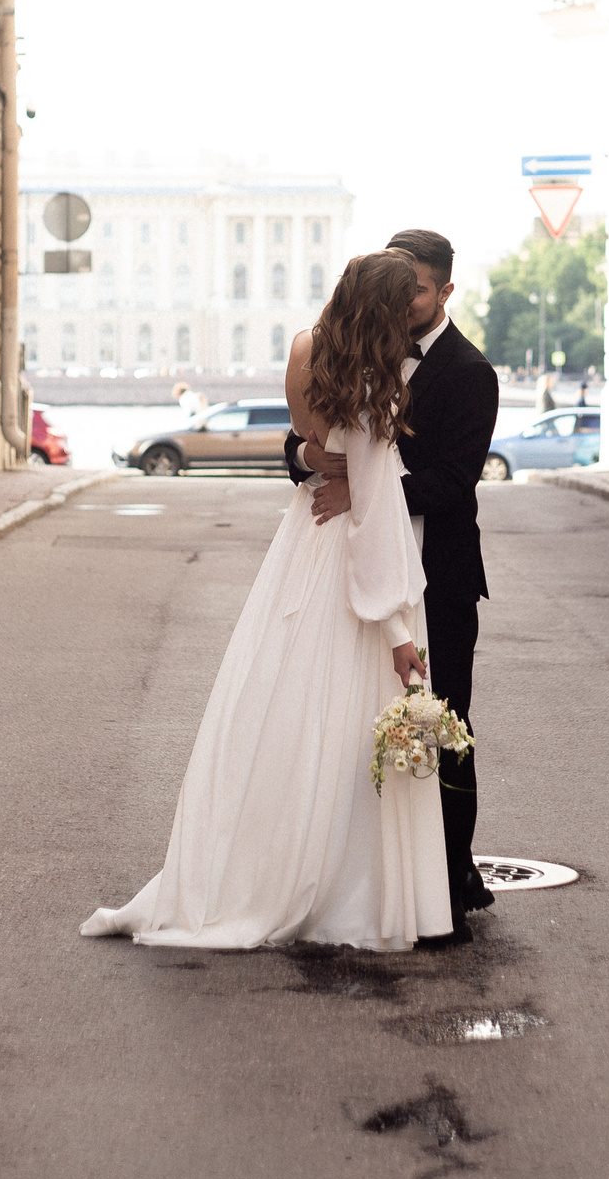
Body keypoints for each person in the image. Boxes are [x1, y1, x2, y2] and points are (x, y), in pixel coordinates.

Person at [81, 251, 451, 950]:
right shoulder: (378, 382)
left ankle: (249, 868)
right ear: (387, 312)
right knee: (342, 732)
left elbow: (308, 447)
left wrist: (320, 465)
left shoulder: (308, 350)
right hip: (347, 559)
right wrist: (399, 626)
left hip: (302, 546)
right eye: (403, 310)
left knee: (281, 717)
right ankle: (342, 888)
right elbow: (372, 517)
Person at [289, 229, 499, 924]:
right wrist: (322, 466)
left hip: (436, 570)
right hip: (356, 558)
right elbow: (301, 443)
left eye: (418, 288)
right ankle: (375, 874)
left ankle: (452, 871)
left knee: (442, 722)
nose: (406, 299)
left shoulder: (471, 372)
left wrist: (368, 492)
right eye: (397, 287)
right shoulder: (360, 356)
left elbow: (451, 481)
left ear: (442, 291)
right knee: (359, 720)